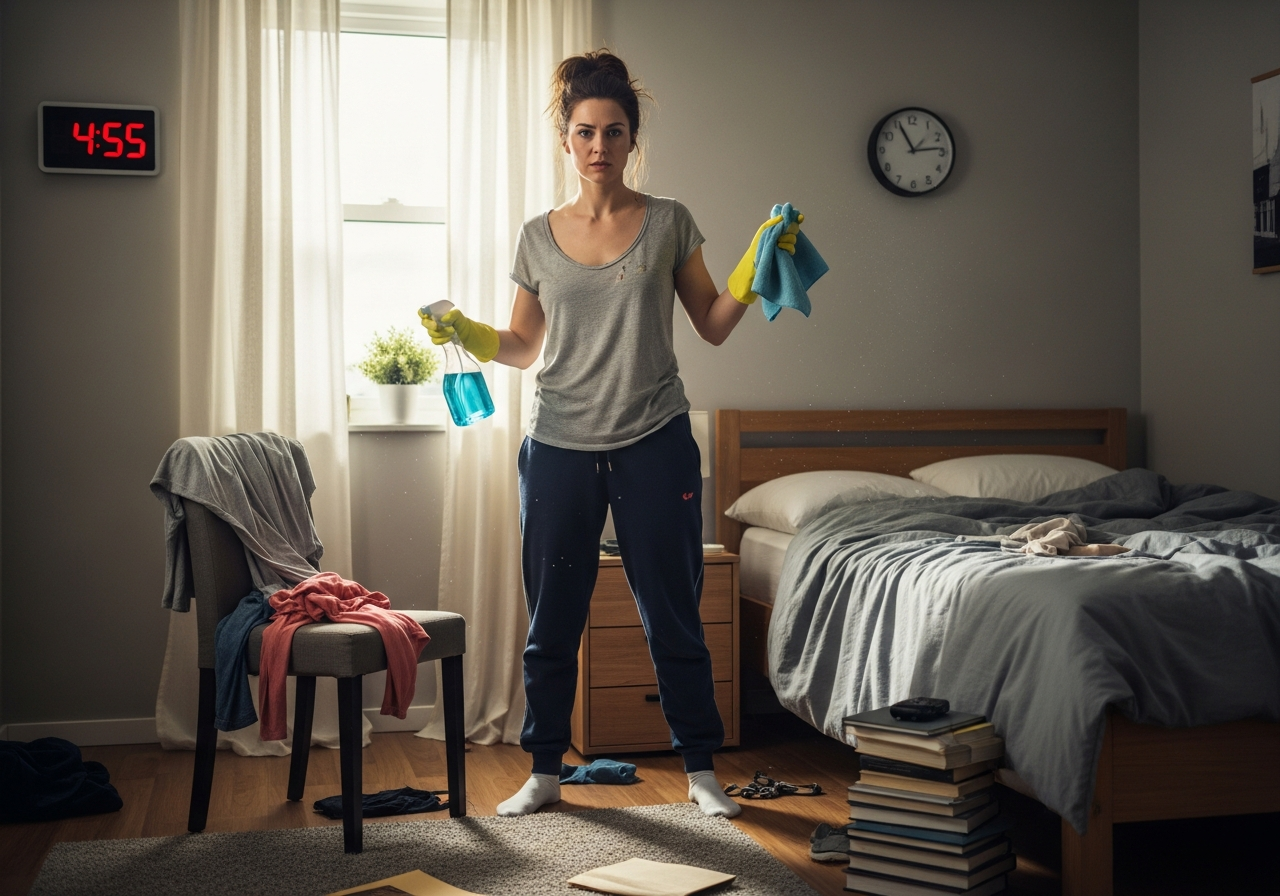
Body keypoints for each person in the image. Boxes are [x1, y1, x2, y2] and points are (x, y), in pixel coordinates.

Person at [421, 49, 801, 818]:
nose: (600, 146)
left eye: (615, 132)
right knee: (552, 615)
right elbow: (526, 348)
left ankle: (700, 771)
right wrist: (466, 328)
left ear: (632, 141)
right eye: (586, 132)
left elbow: (712, 325)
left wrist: (754, 266)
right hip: (558, 444)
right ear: (566, 140)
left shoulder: (668, 221)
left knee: (673, 611)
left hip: (653, 442)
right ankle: (544, 770)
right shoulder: (536, 236)